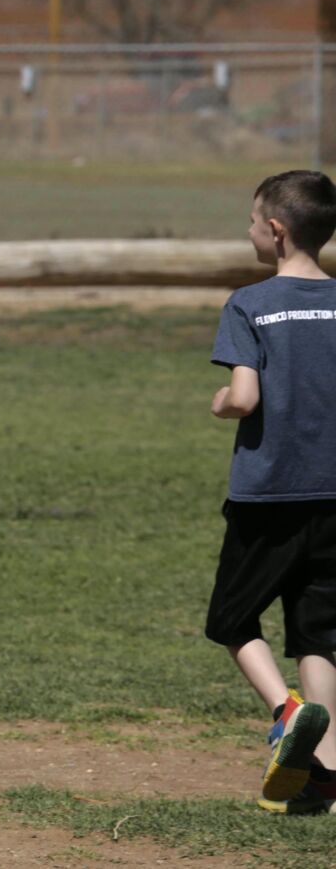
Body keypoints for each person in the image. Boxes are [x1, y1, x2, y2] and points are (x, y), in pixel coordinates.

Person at [205, 168, 336, 814]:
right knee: (317, 633)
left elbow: (248, 394)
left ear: (276, 231)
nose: (250, 229)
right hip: (334, 496)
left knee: (231, 617)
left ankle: (287, 712)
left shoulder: (249, 304)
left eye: (254, 219)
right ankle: (328, 775)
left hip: (269, 495)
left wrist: (224, 401)